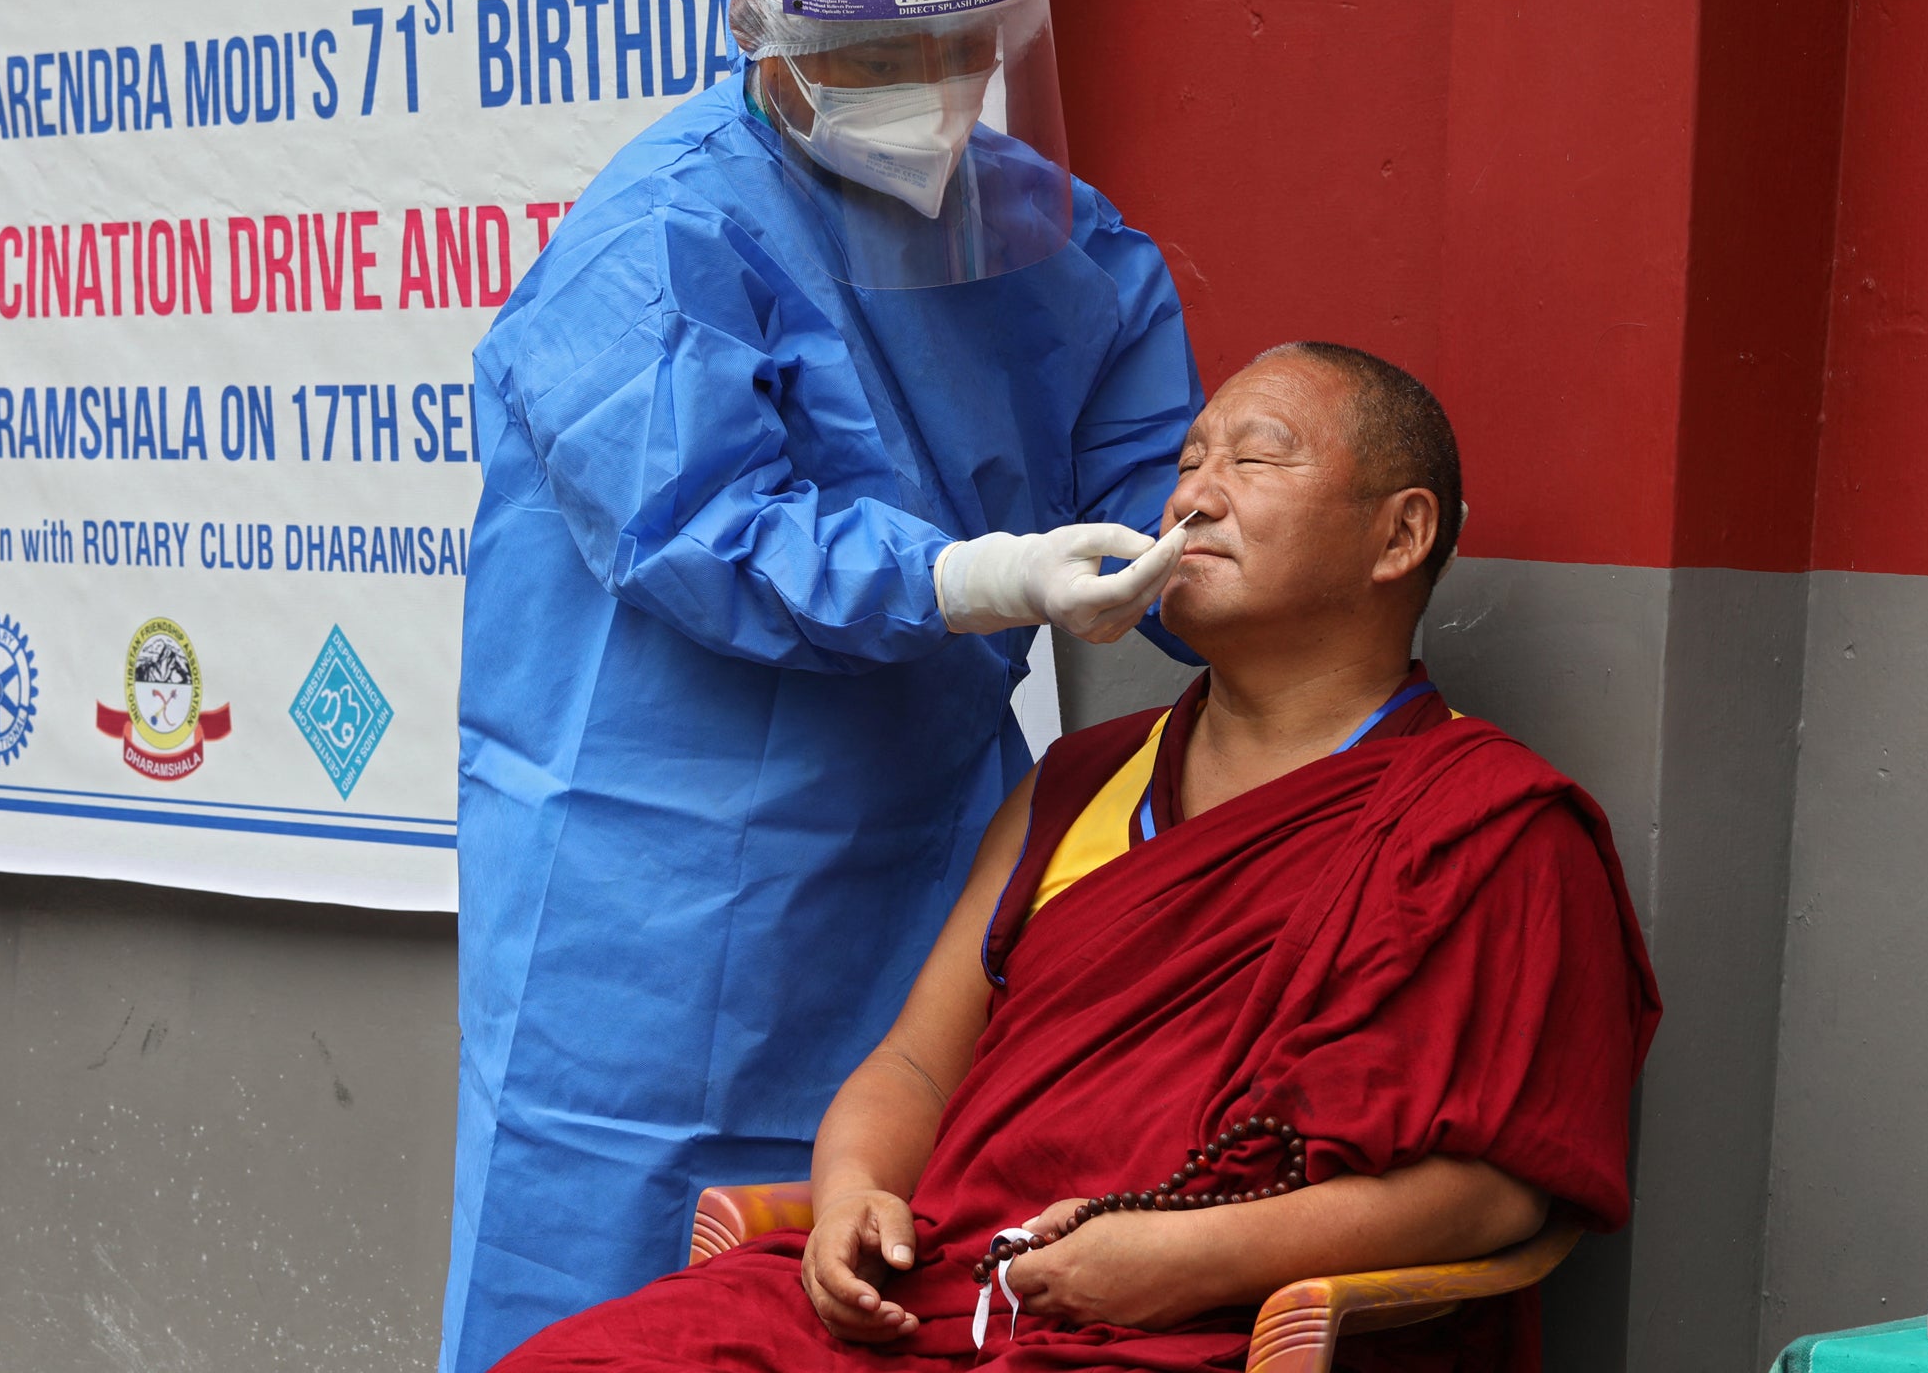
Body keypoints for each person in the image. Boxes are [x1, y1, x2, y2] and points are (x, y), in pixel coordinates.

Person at [492, 343, 1661, 1373]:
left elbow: (1502, 1183)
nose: (1195, 495)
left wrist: (1179, 1257)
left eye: (1254, 462)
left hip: (1207, 1323)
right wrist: (852, 1192)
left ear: (1398, 534)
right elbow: (912, 1066)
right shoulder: (1084, 778)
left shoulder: (1491, 824)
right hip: (943, 1293)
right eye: (1190, 459)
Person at [448, 0, 1208, 1368]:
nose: (935, 96)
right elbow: (703, 520)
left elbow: (1152, 482)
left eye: (964, 51)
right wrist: (985, 574)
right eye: (888, 57)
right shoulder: (661, 235)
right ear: (760, 35)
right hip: (644, 875)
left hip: (921, 843)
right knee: (610, 1271)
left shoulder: (1049, 241)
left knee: (876, 1264)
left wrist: (1205, 567)